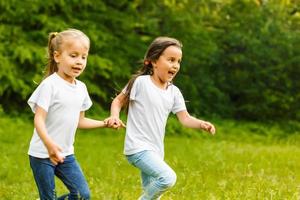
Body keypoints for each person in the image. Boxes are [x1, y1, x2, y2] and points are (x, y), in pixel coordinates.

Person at [105, 37, 216, 199]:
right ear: (154, 61)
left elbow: (185, 118)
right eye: (171, 60)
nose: (175, 65)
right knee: (167, 178)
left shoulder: (174, 92)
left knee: (153, 194)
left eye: (178, 61)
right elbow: (118, 101)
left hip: (156, 150)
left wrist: (201, 124)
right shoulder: (141, 83)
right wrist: (114, 116)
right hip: (137, 148)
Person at [28, 29, 107, 200]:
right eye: (73, 55)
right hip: (42, 154)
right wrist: (50, 146)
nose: (79, 61)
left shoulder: (81, 88)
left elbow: (81, 120)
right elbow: (38, 119)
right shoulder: (50, 85)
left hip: (66, 154)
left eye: (83, 57)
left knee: (82, 195)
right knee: (48, 197)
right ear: (57, 57)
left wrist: (104, 123)